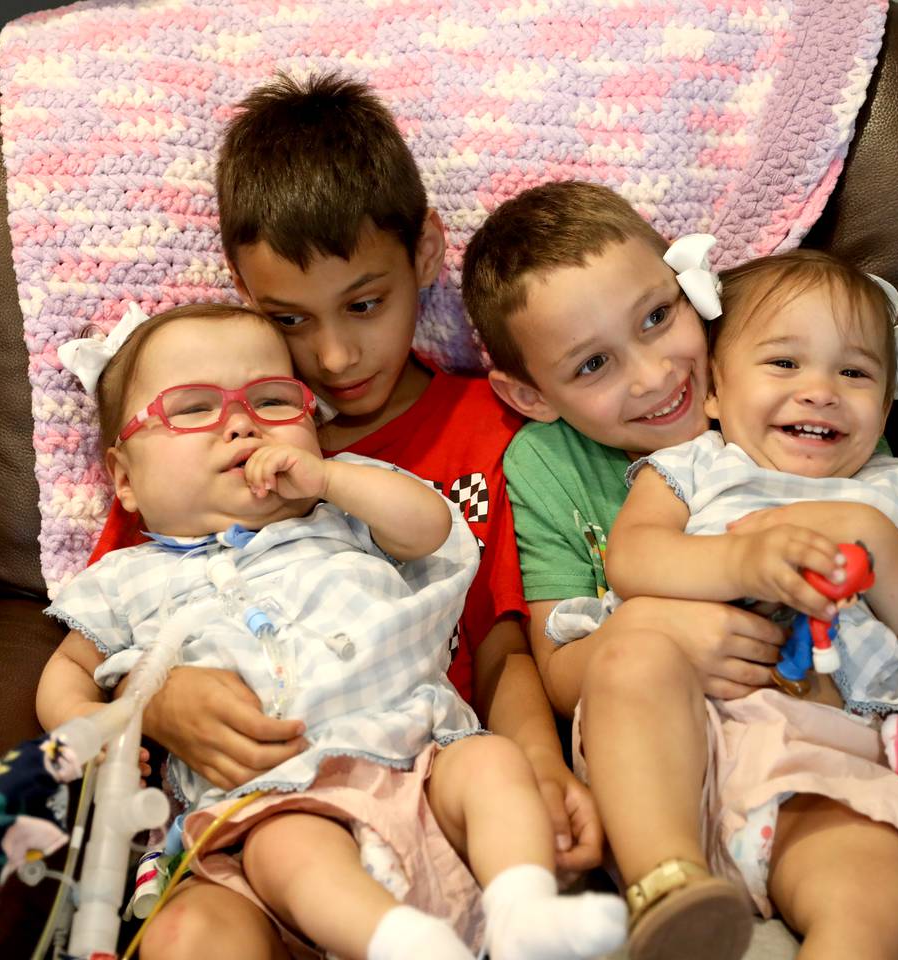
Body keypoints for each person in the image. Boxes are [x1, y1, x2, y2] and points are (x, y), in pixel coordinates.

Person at [462, 182, 898, 960]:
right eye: (596, 362)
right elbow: (625, 574)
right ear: (531, 395)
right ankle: (667, 888)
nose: (652, 376)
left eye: (658, 318)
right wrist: (737, 562)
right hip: (669, 754)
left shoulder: (887, 481)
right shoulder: (682, 470)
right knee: (636, 646)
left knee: (870, 894)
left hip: (825, 753)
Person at [87, 73, 601, 955]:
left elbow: (500, 642)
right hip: (255, 822)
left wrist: (541, 766)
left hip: (430, 785)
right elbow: (114, 627)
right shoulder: (201, 447)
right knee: (191, 935)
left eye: (365, 304)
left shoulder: (492, 427)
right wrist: (157, 703)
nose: (333, 355)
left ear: (427, 254)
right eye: (289, 319)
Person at [37, 302, 626, 960]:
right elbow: (66, 670)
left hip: (419, 769)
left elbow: (429, 526)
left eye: (271, 400)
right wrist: (88, 728)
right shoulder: (125, 578)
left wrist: (328, 479)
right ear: (124, 478)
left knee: (493, 765)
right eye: (195, 408)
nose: (241, 424)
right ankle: (404, 945)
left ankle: (528, 916)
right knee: (285, 848)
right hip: (273, 804)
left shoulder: (340, 512)